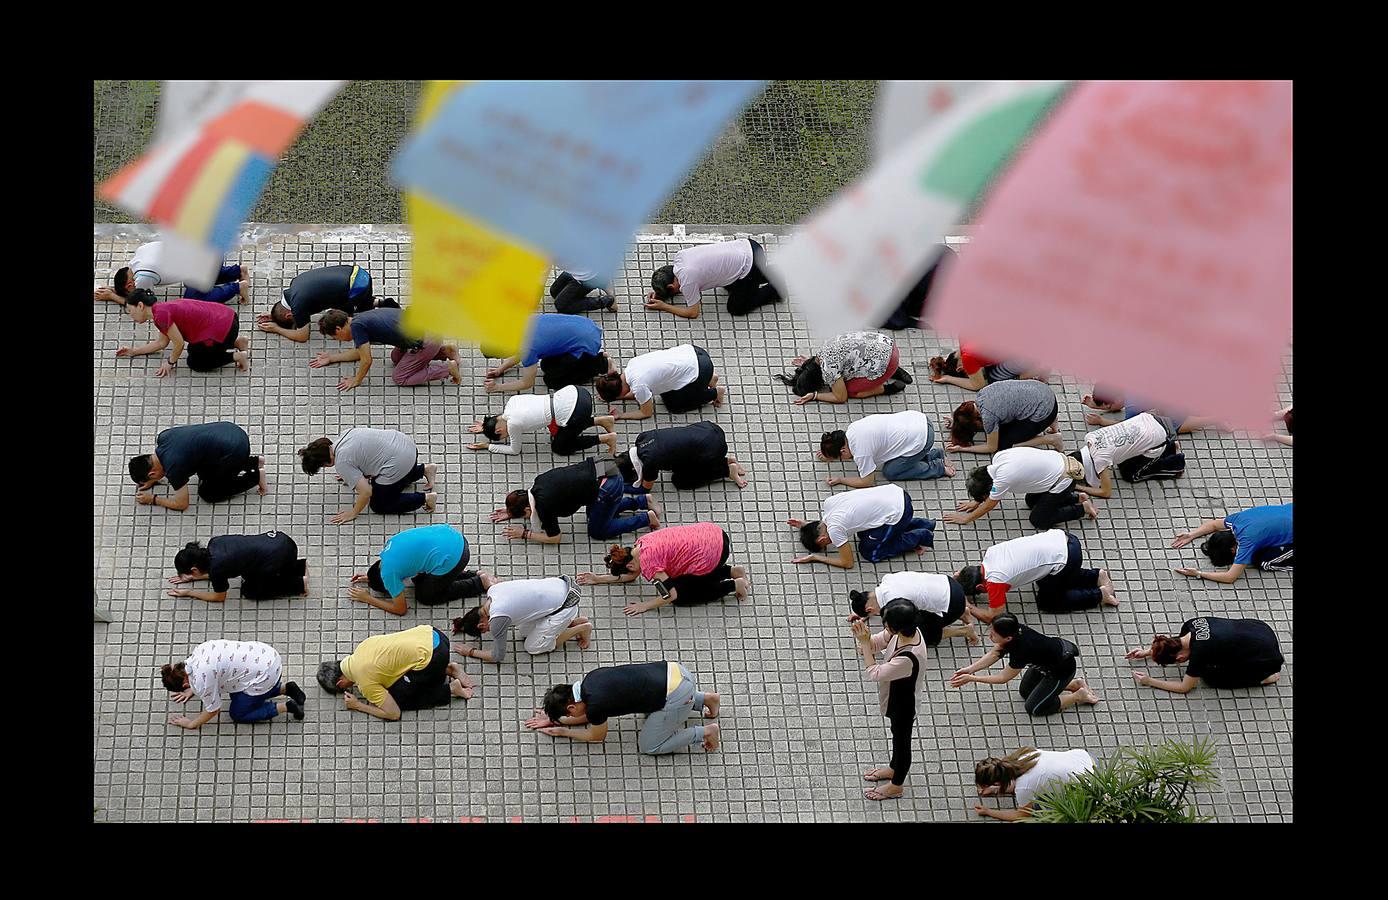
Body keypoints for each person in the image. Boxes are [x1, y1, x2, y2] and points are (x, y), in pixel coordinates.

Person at [526, 662, 722, 754]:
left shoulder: (595, 706)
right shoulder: (591, 679)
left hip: (677, 694)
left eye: (567, 713)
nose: (571, 717)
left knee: (649, 746)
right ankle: (706, 699)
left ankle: (705, 732)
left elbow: (596, 736)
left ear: (571, 706)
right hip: (677, 671)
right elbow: (589, 716)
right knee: (650, 711)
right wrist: (557, 718)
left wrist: (563, 732)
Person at [576, 522, 749, 617]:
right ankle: (731, 571)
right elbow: (631, 576)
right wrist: (598, 579)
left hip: (714, 554)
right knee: (686, 574)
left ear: (629, 565)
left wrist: (645, 606)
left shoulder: (650, 567)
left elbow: (668, 595)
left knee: (682, 595)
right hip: (714, 533)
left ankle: (734, 585)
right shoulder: (640, 543)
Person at [949, 612, 1100, 717]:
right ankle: (1075, 684)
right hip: (1043, 664)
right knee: (1025, 692)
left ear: (1007, 638)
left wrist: (972, 678)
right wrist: (970, 669)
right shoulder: (1015, 629)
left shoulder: (1021, 650)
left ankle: (1079, 695)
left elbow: (1003, 678)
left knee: (1034, 707)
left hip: (1060, 671)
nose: (989, 636)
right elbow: (994, 654)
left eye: (993, 635)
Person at [955, 529, 1118, 624]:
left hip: (1067, 558)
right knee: (1047, 579)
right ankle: (1096, 576)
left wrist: (969, 605)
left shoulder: (995, 581)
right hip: (1063, 538)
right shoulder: (991, 553)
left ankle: (1099, 595)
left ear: (979, 587)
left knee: (1048, 602)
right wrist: (958, 578)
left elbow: (993, 616)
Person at [853, 600, 929, 801]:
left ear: (897, 626)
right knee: (897, 735)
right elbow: (880, 641)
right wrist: (866, 639)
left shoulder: (909, 656)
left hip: (904, 703)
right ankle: (893, 768)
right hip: (897, 696)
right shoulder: (906, 631)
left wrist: (864, 644)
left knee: (902, 742)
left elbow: (876, 673)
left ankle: (897, 785)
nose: (885, 628)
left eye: (887, 624)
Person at [317, 624, 474, 721]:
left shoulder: (364, 683)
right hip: (434, 634)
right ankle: (448, 669)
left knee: (400, 699)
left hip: (434, 657)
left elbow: (393, 713)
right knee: (404, 674)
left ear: (340, 683)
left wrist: (358, 705)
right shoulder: (362, 646)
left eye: (343, 689)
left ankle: (451, 689)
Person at [492, 458, 659, 545]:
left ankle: (646, 519)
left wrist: (525, 534)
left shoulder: (545, 508)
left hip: (607, 486)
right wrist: (512, 510)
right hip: (603, 465)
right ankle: (643, 500)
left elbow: (555, 538)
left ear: (527, 510)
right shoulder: (539, 482)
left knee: (598, 530)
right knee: (596, 512)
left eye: (523, 516)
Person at [298, 428, 438, 523]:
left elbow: (366, 492)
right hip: (406, 446)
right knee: (386, 476)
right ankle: (425, 470)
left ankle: (425, 498)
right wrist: (351, 474)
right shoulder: (345, 434)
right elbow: (365, 457)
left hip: (399, 463)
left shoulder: (343, 462)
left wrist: (354, 513)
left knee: (379, 504)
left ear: (324, 463)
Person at [162, 640, 305, 729]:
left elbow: (213, 710)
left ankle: (285, 707)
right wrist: (193, 689)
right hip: (268, 656)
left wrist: (191, 724)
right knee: (241, 692)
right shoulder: (199, 651)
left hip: (264, 675)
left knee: (238, 713)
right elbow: (204, 674)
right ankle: (285, 688)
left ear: (185, 684)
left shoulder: (201, 684)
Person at [943, 447, 1097, 529]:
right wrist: (976, 502)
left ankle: (1082, 508)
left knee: (1038, 520)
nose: (984, 499)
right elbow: (989, 497)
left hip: (1063, 480)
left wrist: (966, 519)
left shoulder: (1003, 479)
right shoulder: (998, 458)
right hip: (1056, 465)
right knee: (1031, 502)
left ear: (990, 487)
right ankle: (1077, 497)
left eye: (983, 496)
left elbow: (990, 503)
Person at [788, 483, 935, 569]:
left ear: (821, 540)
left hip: (899, 512)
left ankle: (921, 537)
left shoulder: (835, 530)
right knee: (863, 534)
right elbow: (831, 522)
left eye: (826, 545)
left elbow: (848, 563)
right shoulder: (829, 504)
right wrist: (806, 525)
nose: (831, 543)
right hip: (895, 493)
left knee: (869, 552)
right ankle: (926, 524)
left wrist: (816, 558)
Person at [452, 575, 593, 663]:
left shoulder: (497, 620)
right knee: (524, 632)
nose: (488, 631)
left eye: (484, 632)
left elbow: (497, 656)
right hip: (561, 585)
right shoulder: (493, 590)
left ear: (481, 625)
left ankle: (582, 628)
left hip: (566, 604)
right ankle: (571, 621)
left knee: (532, 647)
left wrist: (470, 652)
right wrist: (462, 625)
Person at [348, 524, 483, 616]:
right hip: (453, 537)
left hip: (456, 557)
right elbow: (396, 566)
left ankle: (479, 583)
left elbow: (401, 609)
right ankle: (473, 574)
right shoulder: (389, 545)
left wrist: (368, 598)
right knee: (419, 579)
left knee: (425, 595)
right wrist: (370, 578)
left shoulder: (390, 575)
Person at [1126, 616, 1285, 694]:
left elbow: (1184, 687)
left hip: (1267, 658)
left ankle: (1265, 678)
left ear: (1180, 658)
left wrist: (1149, 681)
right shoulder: (1190, 625)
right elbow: (1172, 643)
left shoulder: (1201, 652)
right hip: (1260, 628)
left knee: (1210, 678)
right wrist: (1148, 651)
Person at [313, 307, 461, 390]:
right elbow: (360, 352)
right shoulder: (358, 319)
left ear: (338, 329)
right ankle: (445, 351)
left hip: (426, 341)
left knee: (400, 377)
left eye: (335, 337)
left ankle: (447, 369)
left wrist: (356, 380)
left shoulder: (357, 328)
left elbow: (366, 360)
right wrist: (332, 358)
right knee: (395, 358)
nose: (339, 340)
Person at [129, 422, 266, 511]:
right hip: (232, 431)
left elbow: (182, 504)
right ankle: (253, 461)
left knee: (207, 493)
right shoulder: (163, 437)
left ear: (152, 473)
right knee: (202, 471)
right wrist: (151, 480)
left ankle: (255, 476)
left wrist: (153, 499)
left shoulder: (174, 469)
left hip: (235, 452)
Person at [115, 289, 248, 374]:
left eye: (130, 311)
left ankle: (237, 356)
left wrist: (170, 363)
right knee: (194, 350)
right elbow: (161, 343)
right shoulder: (161, 309)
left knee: (195, 362)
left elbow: (179, 344)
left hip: (224, 329)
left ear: (140, 306)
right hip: (229, 318)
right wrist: (133, 351)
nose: (131, 316)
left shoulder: (160, 316)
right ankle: (236, 342)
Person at [646, 237, 782, 318]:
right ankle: (771, 271)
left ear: (671, 286)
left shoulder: (687, 279)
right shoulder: (680, 257)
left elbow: (693, 313)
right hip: (749, 246)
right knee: (729, 287)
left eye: (672, 291)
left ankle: (775, 289)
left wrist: (665, 306)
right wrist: (661, 294)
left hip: (751, 265)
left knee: (736, 308)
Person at [466, 385, 618, 457]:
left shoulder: (513, 424)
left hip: (577, 410)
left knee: (559, 447)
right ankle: (603, 421)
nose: (509, 436)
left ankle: (605, 439)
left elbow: (514, 450)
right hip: (575, 392)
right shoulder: (512, 402)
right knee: (564, 424)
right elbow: (507, 417)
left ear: (499, 431)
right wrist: (487, 426)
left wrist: (489, 446)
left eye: (504, 437)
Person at [256, 264, 392, 342]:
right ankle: (379, 303)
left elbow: (302, 336)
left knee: (354, 321)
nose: (298, 318)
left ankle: (380, 326)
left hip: (356, 288)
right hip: (358, 273)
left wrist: (276, 329)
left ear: (289, 315)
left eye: (294, 319)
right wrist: (274, 315)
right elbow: (311, 302)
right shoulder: (294, 284)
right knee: (345, 303)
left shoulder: (298, 306)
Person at [818, 410, 954, 488]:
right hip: (919, 419)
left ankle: (938, 467)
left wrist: (841, 480)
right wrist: (829, 454)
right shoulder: (853, 429)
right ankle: (937, 454)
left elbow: (867, 481)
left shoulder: (861, 452)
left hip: (922, 440)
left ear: (842, 451)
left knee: (890, 471)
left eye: (838, 458)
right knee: (899, 456)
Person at [1067, 413, 1185, 499]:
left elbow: (1105, 492)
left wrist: (1079, 488)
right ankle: (1171, 446)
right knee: (1123, 462)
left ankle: (1175, 463)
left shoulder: (1100, 461)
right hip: (1149, 419)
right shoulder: (1091, 437)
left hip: (1157, 440)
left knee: (1130, 475)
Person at [482, 314, 611, 393]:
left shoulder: (528, 349)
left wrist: (497, 388)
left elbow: (527, 383)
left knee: (551, 381)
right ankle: (590, 359)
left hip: (586, 344)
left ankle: (601, 364)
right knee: (546, 366)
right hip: (585, 325)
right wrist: (501, 369)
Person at [167, 532, 308, 603]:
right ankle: (300, 566)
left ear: (194, 569)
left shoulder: (216, 569)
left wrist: (189, 593)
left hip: (279, 558)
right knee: (251, 572)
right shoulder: (215, 543)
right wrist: (195, 578)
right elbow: (220, 571)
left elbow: (219, 597)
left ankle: (299, 584)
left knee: (250, 590)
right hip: (282, 541)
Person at [1170, 503, 1293, 584]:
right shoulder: (1237, 521)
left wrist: (1198, 574)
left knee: (1261, 561)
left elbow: (1230, 577)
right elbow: (1213, 525)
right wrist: (1192, 534)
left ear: (1233, 550)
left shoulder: (1247, 543)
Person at [96, 240, 247, 306]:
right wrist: (114, 288)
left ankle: (238, 288)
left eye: (129, 291)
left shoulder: (142, 277)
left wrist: (113, 296)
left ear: (130, 285)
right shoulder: (139, 256)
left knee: (191, 298)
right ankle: (238, 271)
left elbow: (145, 305)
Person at [847, 572, 979, 647]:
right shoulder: (887, 580)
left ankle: (965, 631)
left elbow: (900, 628)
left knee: (916, 633)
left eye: (873, 613)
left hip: (953, 604)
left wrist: (869, 643)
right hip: (948, 584)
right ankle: (963, 612)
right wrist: (864, 613)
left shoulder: (894, 601)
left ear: (869, 608)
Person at [596, 344, 724, 421]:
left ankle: (715, 392)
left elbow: (646, 412)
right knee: (666, 393)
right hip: (694, 352)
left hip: (700, 370)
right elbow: (636, 394)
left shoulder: (639, 385)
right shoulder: (632, 365)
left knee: (674, 405)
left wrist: (621, 415)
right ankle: (711, 378)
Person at [777, 331, 911, 405]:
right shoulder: (823, 350)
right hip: (885, 342)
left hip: (888, 360)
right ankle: (894, 369)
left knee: (851, 391)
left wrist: (815, 396)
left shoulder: (828, 371)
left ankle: (888, 387)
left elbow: (841, 397)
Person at [615, 421, 748, 491]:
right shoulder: (642, 438)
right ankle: (724, 459)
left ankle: (727, 470)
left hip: (712, 449)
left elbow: (644, 489)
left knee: (679, 480)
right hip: (709, 429)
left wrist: (621, 489)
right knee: (678, 460)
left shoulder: (650, 463)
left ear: (634, 469)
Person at [973, 748, 1096, 821]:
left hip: (1090, 784)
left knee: (1038, 806)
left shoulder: (1024, 787)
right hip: (1087, 758)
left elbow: (1021, 816)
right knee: (1042, 786)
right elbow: (1027, 779)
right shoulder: (1023, 754)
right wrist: (995, 789)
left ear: (996, 782)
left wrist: (989, 812)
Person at [945, 379, 1061, 454]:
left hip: (1045, 413)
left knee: (1003, 445)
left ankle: (1051, 439)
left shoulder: (989, 417)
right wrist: (957, 421)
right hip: (1046, 393)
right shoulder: (981, 394)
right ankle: (1053, 422)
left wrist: (962, 449)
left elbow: (991, 448)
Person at [1081, 385, 1225, 435]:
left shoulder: (1131, 405)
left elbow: (1126, 426)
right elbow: (1118, 404)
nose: (1110, 409)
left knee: (1173, 425)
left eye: (1108, 406)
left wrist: (1101, 420)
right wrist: (1096, 403)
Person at [927, 343, 1044, 392]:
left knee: (993, 379)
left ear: (960, 369)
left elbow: (978, 385)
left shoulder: (968, 359)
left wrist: (948, 378)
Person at [550, 266, 617, 314]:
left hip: (587, 276)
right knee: (555, 292)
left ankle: (607, 300)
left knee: (561, 305)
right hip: (575, 270)